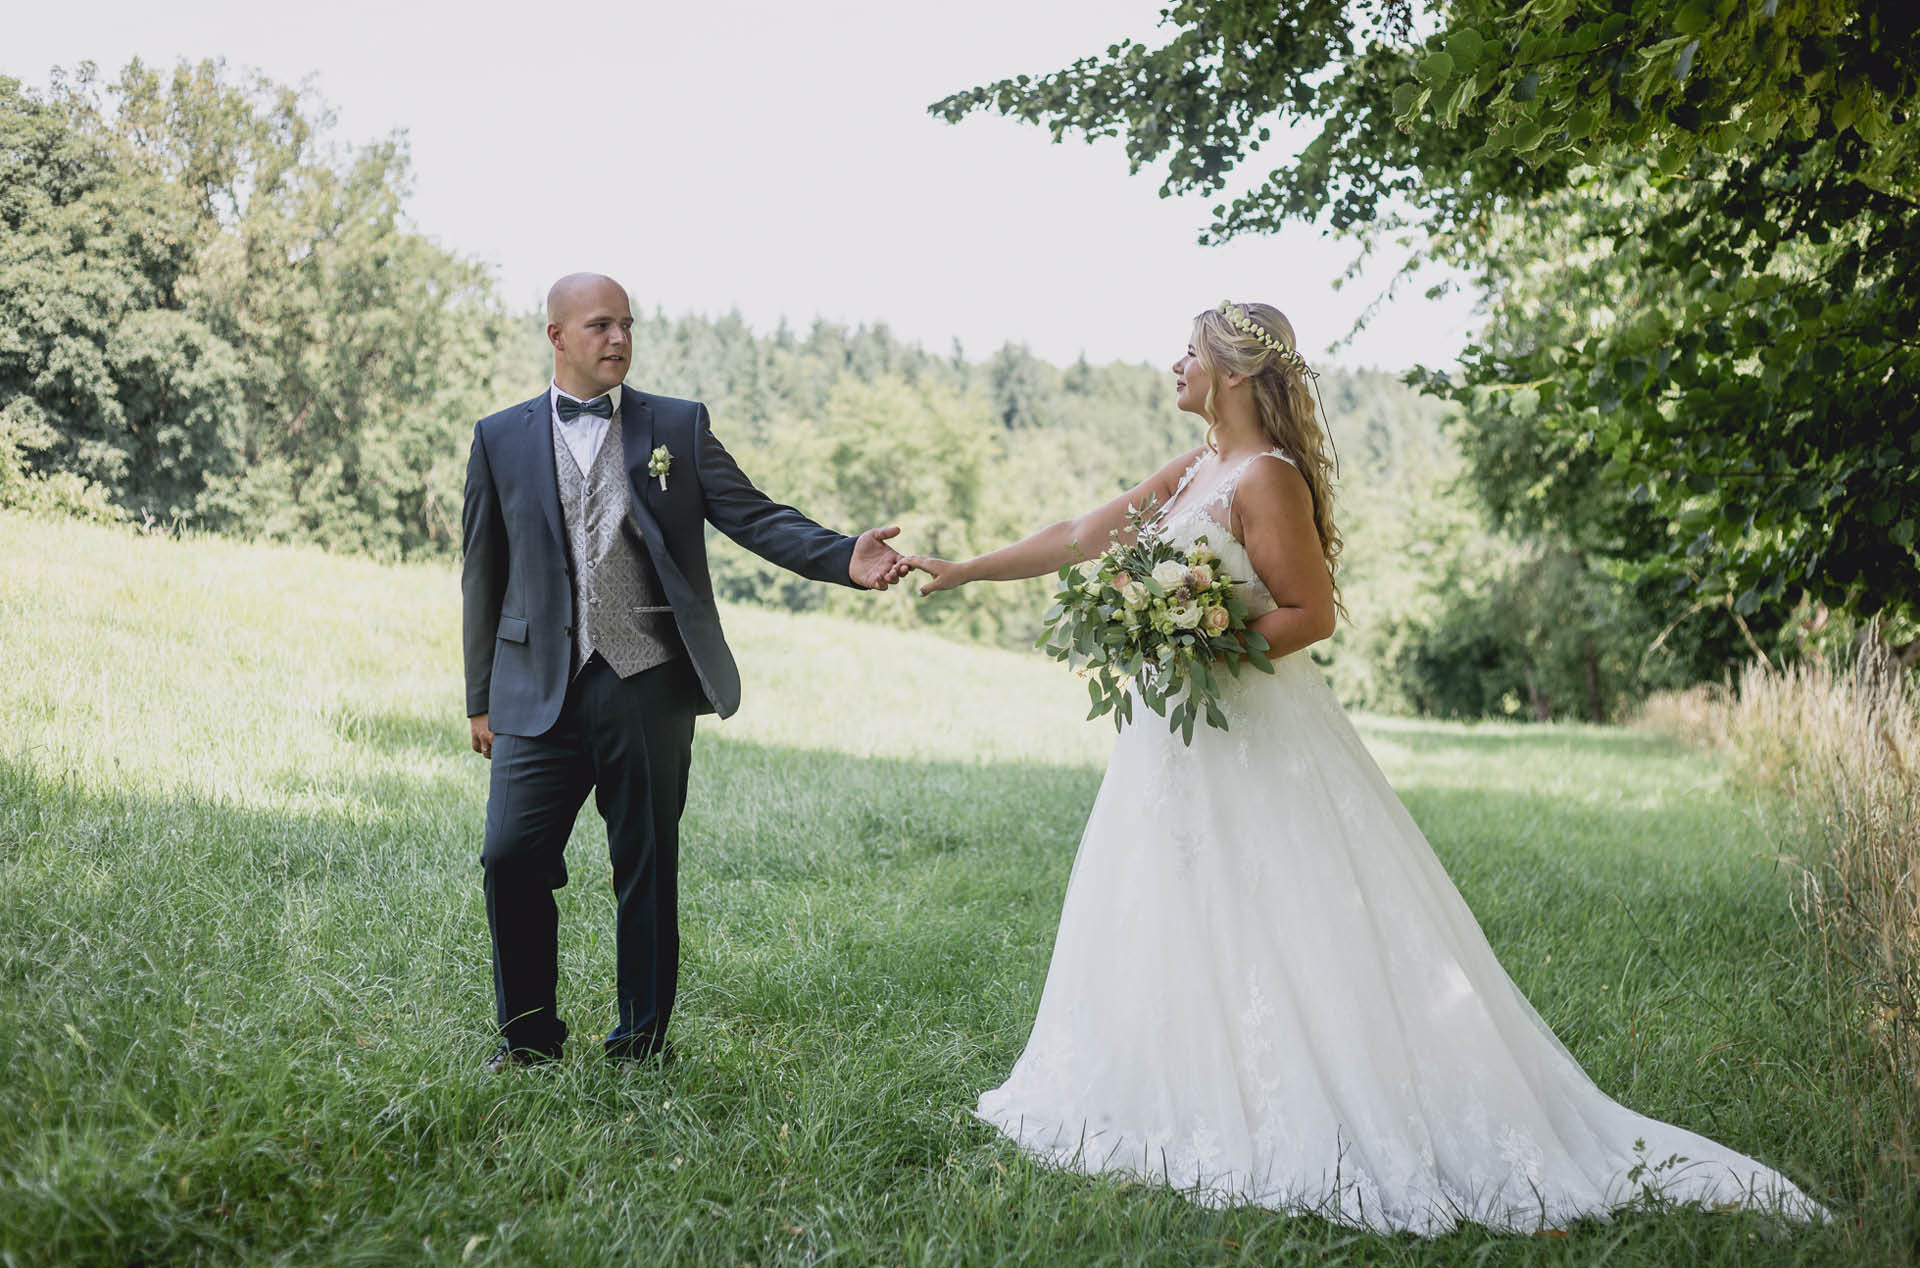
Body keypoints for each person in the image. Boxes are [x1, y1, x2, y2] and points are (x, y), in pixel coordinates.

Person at [902, 300, 1824, 1234]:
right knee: (1173, 902)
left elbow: (1310, 612)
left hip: (1250, 729)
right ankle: (1171, 1090)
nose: (1174, 364)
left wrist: (1200, 641)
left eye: (1189, 352)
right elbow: (1078, 535)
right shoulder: (1195, 468)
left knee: (1282, 909)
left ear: (1231, 371)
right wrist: (965, 569)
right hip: (1173, 743)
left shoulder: (1266, 478)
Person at [462, 273, 910, 1070]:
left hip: (647, 682)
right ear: (557, 336)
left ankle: (640, 1045)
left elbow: (754, 516)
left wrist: (844, 555)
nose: (620, 339)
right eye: (601, 325)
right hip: (534, 689)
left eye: (628, 325)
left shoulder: (677, 425)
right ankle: (527, 1042)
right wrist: (479, 698)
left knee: (646, 868)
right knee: (509, 858)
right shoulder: (499, 437)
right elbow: (482, 573)